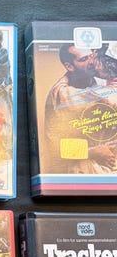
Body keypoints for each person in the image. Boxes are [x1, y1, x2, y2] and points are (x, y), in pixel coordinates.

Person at [45, 43, 117, 174]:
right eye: (84, 59)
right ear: (69, 66)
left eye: (91, 56)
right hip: (81, 169)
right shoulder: (62, 94)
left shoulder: (97, 83)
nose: (91, 62)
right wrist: (93, 152)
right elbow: (56, 148)